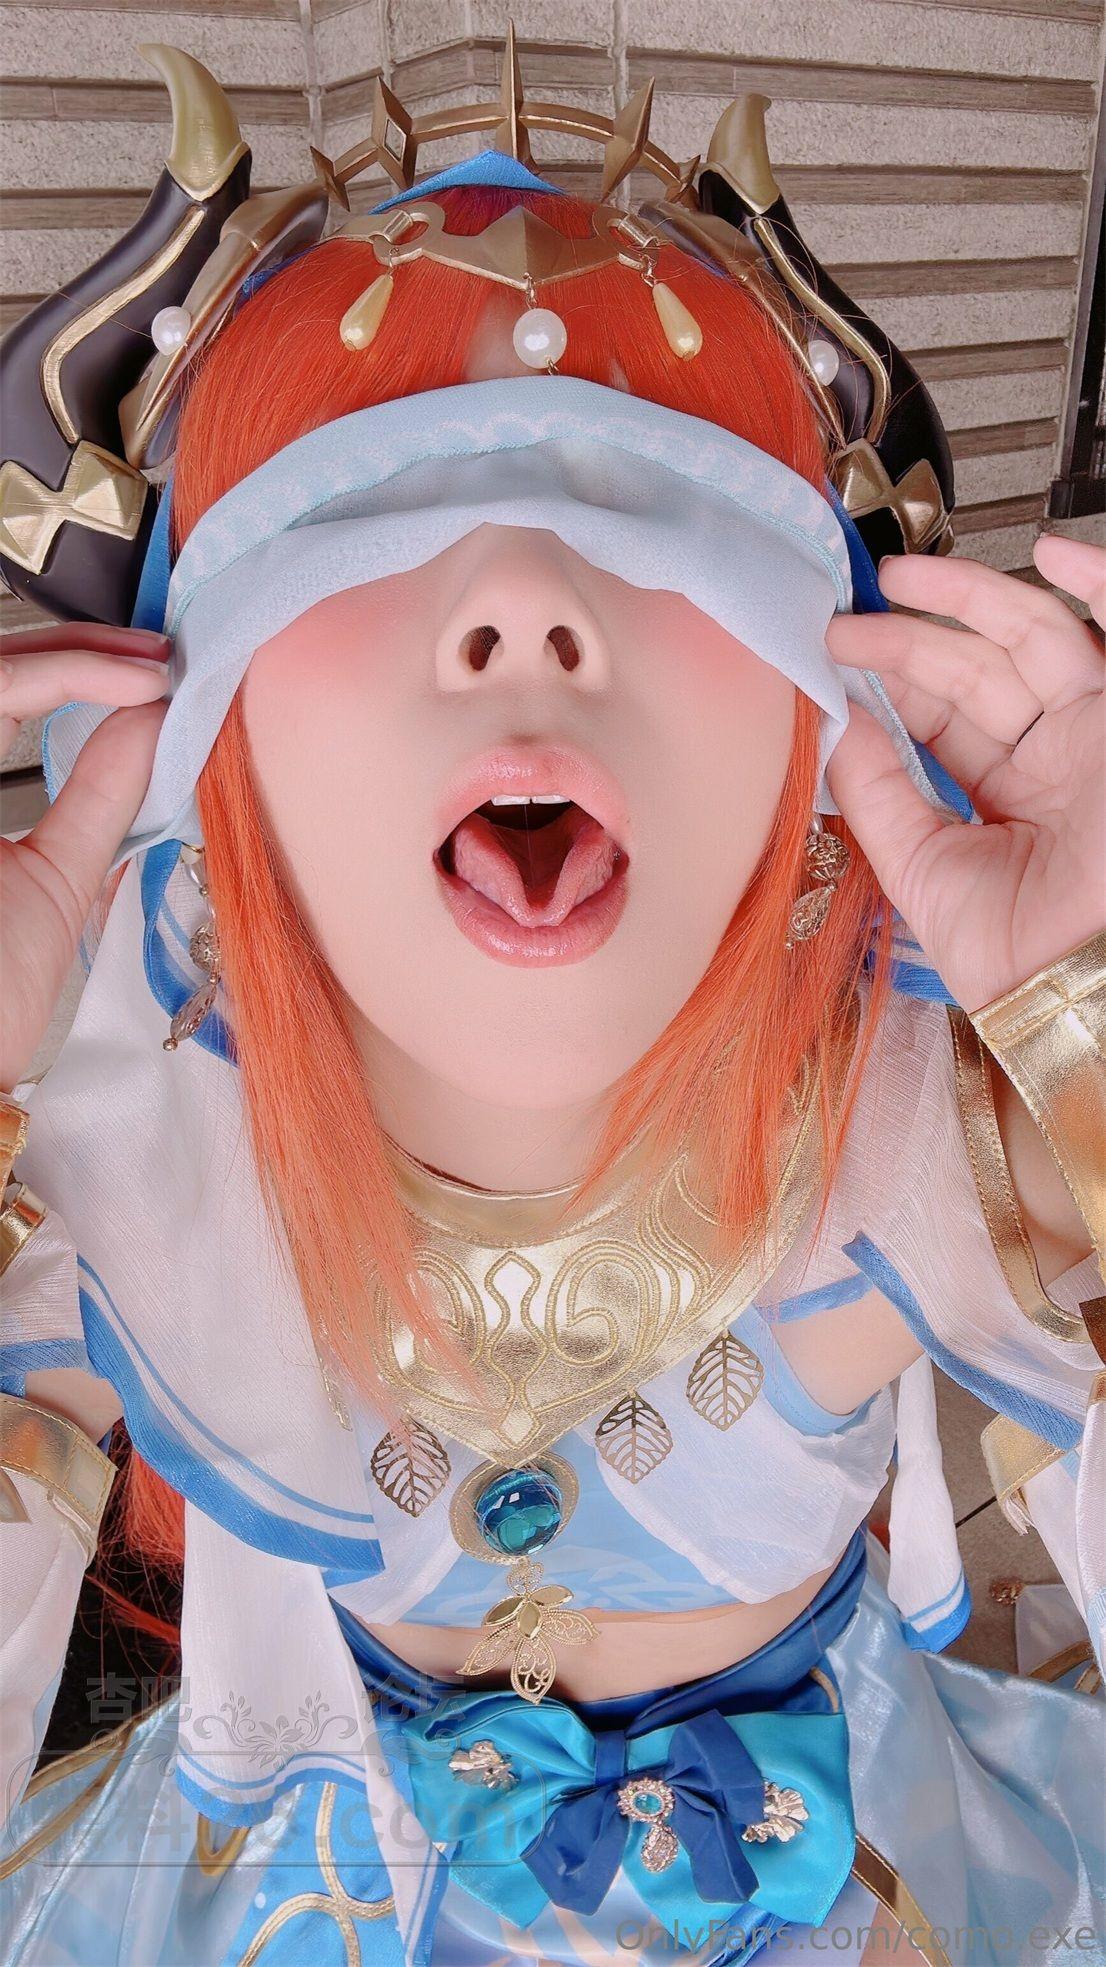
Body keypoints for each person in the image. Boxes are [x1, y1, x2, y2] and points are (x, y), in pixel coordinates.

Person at [0, 41, 1102, 1967]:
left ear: (819, 720)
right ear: (194, 738)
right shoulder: (126, 1143)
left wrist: (1083, 1032)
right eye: (361, 526)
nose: (521, 601)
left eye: (663, 523)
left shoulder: (917, 1108)